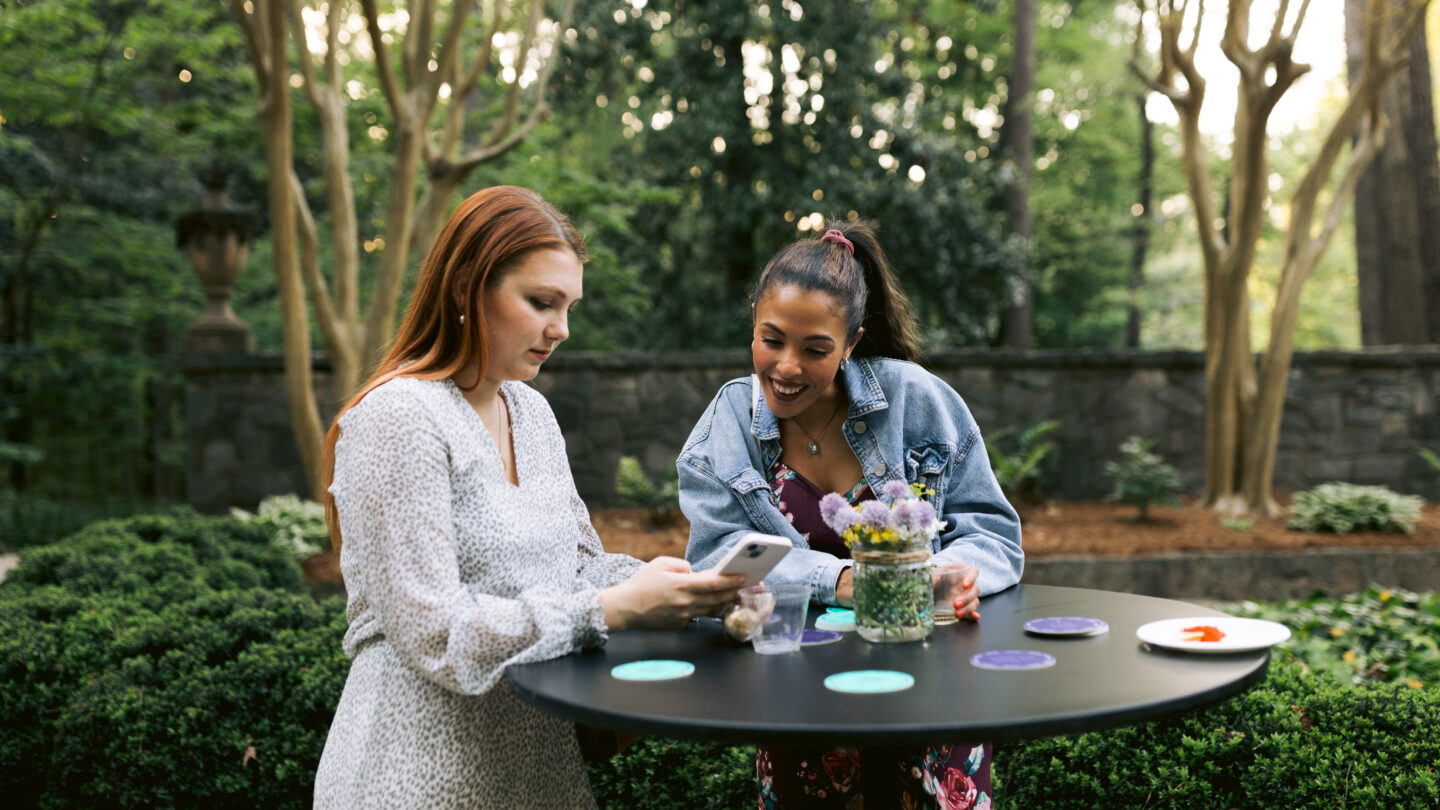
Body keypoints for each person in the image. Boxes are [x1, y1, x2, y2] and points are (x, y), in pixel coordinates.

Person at [313, 186, 743, 810]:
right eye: (542, 302)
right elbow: (436, 633)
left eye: (569, 307)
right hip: (414, 776)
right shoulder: (399, 420)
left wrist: (672, 583)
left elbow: (576, 567)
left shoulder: (531, 411)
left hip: (540, 772)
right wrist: (611, 608)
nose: (561, 329)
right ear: (466, 287)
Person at [679, 220, 1024, 809]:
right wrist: (838, 581)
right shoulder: (727, 425)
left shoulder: (921, 401)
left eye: (815, 350)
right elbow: (716, 556)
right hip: (796, 701)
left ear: (852, 342)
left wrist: (952, 578)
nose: (787, 367)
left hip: (930, 692)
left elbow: (991, 532)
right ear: (753, 326)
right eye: (771, 339)